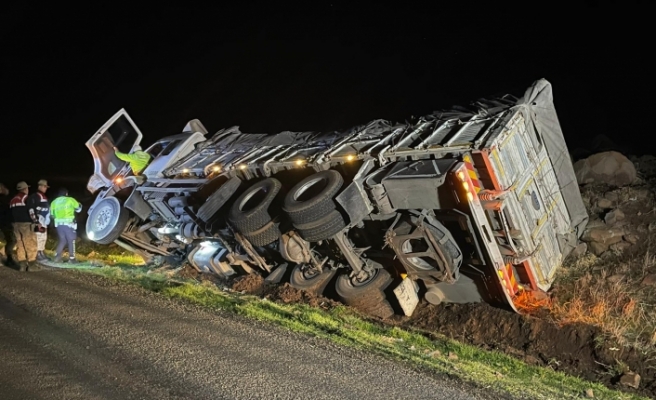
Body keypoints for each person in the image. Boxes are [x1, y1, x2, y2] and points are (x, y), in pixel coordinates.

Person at [9, 181, 39, 271]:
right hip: (26, 224)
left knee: (20, 243)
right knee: (30, 243)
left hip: (15, 224)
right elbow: (31, 211)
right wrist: (36, 221)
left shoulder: (12, 200)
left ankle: (22, 265)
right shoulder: (26, 198)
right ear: (25, 189)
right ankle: (32, 265)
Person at [50, 187, 82, 263]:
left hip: (58, 225)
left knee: (63, 240)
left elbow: (52, 215)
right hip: (69, 224)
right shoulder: (70, 200)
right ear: (66, 194)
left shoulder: (54, 202)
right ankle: (72, 259)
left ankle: (57, 257)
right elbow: (79, 208)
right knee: (71, 240)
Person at [29, 179, 51, 261]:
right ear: (40, 186)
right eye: (45, 186)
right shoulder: (34, 197)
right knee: (38, 237)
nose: (46, 188)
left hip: (44, 220)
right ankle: (37, 253)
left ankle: (41, 252)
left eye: (46, 187)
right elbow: (31, 209)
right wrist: (36, 221)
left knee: (43, 237)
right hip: (38, 219)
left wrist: (48, 217)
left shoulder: (44, 196)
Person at [0, 182, 16, 266]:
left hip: (5, 222)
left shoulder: (5, 199)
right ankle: (9, 258)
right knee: (11, 240)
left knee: (11, 240)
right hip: (5, 222)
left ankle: (8, 257)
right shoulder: (5, 200)